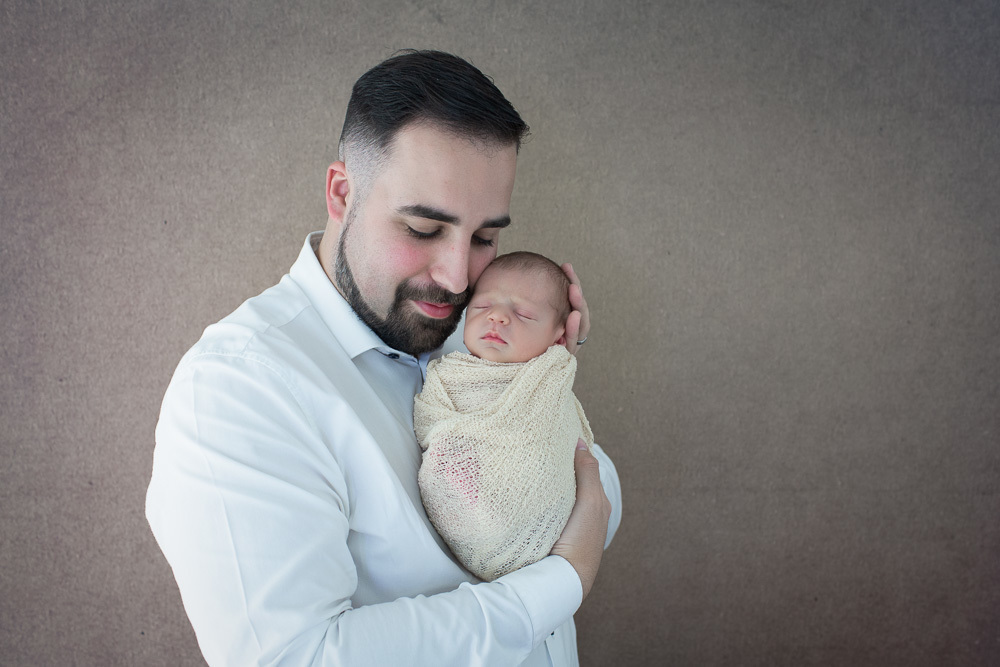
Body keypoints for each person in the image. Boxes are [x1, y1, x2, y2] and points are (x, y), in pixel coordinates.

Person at [146, 50, 622, 667]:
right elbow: (299, 659)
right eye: (423, 230)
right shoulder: (238, 389)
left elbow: (595, 498)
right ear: (342, 193)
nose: (457, 277)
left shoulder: (479, 336)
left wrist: (547, 377)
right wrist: (562, 581)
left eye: (484, 238)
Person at [416, 251, 596, 582]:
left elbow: (564, 458)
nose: (497, 317)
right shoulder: (449, 374)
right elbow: (433, 422)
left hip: (536, 532)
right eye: (483, 307)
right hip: (481, 532)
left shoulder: (548, 385)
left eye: (524, 314)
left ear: (558, 337)